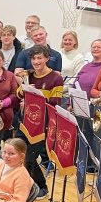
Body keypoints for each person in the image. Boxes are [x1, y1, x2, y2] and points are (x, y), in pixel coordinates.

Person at [22, 45, 64, 193]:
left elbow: (55, 103)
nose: (36, 61)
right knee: (18, 153)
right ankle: (23, 185)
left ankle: (41, 186)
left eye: (39, 58)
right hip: (26, 121)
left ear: (47, 58)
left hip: (43, 124)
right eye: (33, 58)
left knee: (30, 158)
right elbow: (19, 95)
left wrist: (35, 95)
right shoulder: (29, 75)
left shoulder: (56, 78)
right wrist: (24, 89)